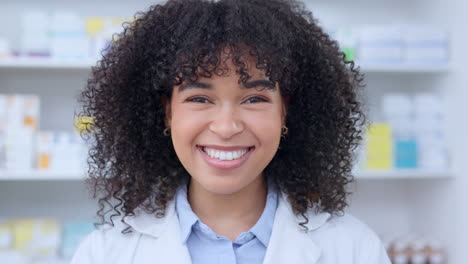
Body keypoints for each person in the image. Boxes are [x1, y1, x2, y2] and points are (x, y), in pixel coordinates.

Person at [71, 0, 391, 263]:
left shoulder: (353, 249)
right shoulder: (104, 254)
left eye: (254, 98)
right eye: (199, 98)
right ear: (167, 111)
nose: (226, 127)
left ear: (285, 111)